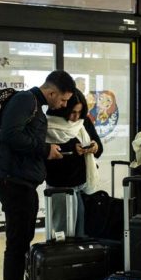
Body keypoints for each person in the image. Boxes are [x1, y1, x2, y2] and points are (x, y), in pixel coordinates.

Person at [0, 70, 75, 280]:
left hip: (22, 183)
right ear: (52, 93)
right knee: (17, 244)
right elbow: (10, 135)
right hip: (15, 183)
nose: (62, 105)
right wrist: (44, 149)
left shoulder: (34, 105)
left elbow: (24, 138)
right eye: (62, 100)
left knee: (21, 240)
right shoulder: (25, 101)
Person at [44, 89, 103, 236]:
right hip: (60, 187)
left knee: (81, 232)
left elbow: (99, 148)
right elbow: (48, 156)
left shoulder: (84, 122)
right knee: (62, 233)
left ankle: (77, 258)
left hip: (82, 186)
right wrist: (72, 150)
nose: (76, 117)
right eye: (72, 112)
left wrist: (94, 147)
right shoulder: (50, 124)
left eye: (79, 112)